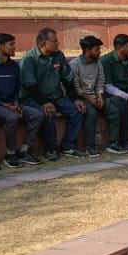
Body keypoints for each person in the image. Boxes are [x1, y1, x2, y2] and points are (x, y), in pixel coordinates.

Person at [0, 33, 45, 168]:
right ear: (0, 46)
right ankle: (10, 154)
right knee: (12, 118)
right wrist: (5, 105)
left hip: (12, 104)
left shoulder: (14, 66)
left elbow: (16, 88)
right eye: (11, 45)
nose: (14, 47)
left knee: (37, 115)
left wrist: (15, 103)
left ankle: (24, 151)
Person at [20, 28, 86, 160]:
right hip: (34, 99)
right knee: (48, 113)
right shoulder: (29, 59)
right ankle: (51, 150)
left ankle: (68, 146)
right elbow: (30, 86)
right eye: (54, 41)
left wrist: (75, 99)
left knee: (77, 110)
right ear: (43, 43)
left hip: (57, 97)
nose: (58, 44)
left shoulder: (58, 55)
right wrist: (45, 102)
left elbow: (67, 80)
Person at [69, 35, 121, 156]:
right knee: (91, 113)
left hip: (96, 97)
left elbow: (100, 82)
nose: (99, 52)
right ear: (87, 50)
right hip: (81, 98)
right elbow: (76, 88)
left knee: (113, 111)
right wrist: (90, 100)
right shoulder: (74, 64)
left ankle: (113, 143)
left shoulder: (98, 63)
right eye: (97, 49)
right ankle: (90, 146)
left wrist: (100, 97)